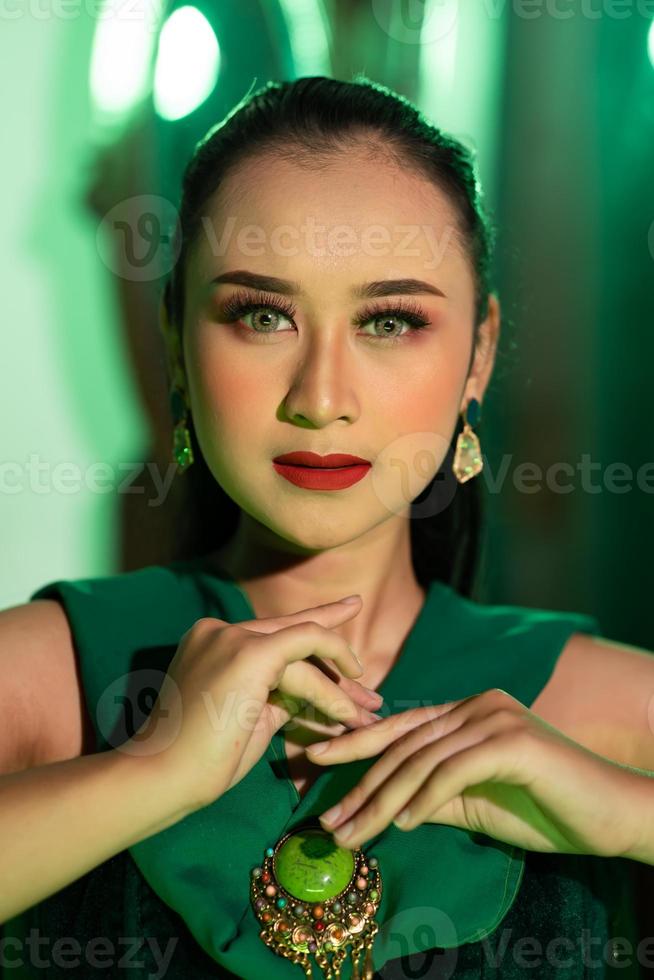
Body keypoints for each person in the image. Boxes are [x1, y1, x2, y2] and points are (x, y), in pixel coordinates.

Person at [1, 75, 653, 980]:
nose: (321, 399)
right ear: (178, 342)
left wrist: (630, 813)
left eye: (389, 321)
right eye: (261, 315)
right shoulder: (47, 674)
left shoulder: (607, 708)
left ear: (481, 354)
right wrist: (145, 776)